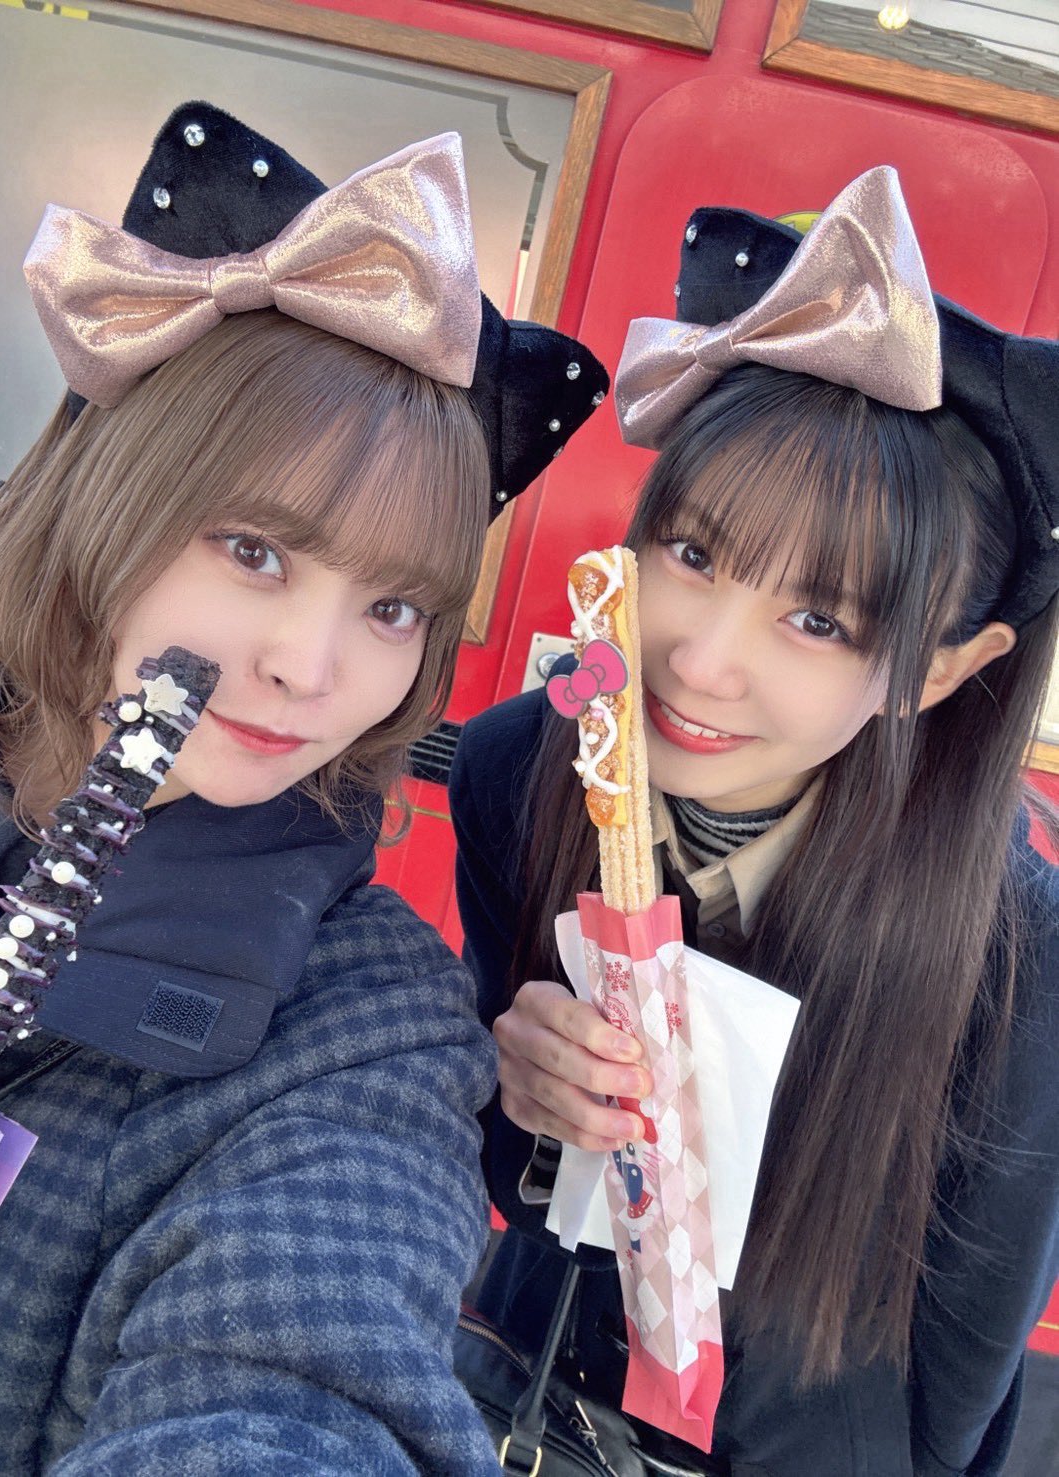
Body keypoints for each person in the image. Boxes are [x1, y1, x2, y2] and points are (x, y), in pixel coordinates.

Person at [0, 102, 607, 1474]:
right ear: (101, 490)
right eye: (253, 549)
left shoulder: (368, 1030)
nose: (310, 668)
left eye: (393, 607)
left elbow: (307, 1384)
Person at [451, 167, 1059, 1477]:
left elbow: (963, 1359)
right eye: (692, 554)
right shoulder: (514, 772)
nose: (701, 660)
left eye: (819, 618)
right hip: (528, 1400)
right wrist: (524, 1092)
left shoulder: (1018, 946)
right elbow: (510, 1179)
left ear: (939, 671)